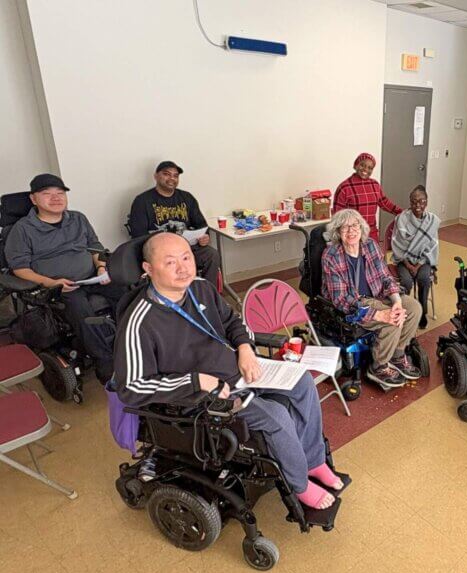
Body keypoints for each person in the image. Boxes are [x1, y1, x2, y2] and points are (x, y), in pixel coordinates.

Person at [113, 232, 342, 510]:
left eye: (187, 257)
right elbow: (132, 388)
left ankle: (314, 461)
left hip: (238, 371)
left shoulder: (200, 288)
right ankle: (300, 485)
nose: (184, 267)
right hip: (199, 399)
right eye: (171, 262)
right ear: (148, 269)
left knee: (302, 382)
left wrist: (245, 347)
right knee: (276, 415)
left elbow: (233, 321)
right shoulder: (139, 323)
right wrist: (197, 381)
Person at [4, 173, 125, 383]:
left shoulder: (78, 218)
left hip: (91, 277)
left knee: (127, 293)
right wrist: (52, 283)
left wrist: (101, 267)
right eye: (47, 194)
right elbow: (20, 269)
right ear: (34, 199)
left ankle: (131, 345)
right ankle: (105, 361)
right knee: (82, 310)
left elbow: (94, 247)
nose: (56, 198)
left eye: (60, 193)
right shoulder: (22, 230)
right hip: (58, 287)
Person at [321, 209, 421, 389]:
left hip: (378, 294)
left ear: (361, 227)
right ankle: (378, 365)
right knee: (390, 320)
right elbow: (341, 300)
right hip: (356, 302)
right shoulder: (331, 256)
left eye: (354, 225)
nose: (351, 231)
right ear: (337, 232)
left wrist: (397, 301)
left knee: (414, 308)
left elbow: (385, 277)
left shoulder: (370, 245)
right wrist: (378, 315)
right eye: (344, 227)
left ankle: (398, 354)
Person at [128, 161, 221, 285]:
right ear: (156, 176)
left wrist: (205, 236)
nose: (172, 178)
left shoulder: (187, 198)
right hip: (159, 252)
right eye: (166, 174)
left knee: (211, 255)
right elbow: (138, 235)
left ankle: (209, 295)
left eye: (175, 176)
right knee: (167, 264)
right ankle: (173, 297)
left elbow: (202, 225)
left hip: (186, 248)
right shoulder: (142, 201)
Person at [391, 185, 440, 329]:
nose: (417, 205)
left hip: (423, 260)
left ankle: (422, 313)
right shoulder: (401, 219)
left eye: (421, 201)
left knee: (424, 279)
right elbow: (397, 244)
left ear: (426, 202)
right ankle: (404, 312)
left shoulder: (432, 221)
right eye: (414, 201)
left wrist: (418, 265)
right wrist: (408, 264)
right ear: (410, 202)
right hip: (403, 260)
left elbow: (432, 246)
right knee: (406, 282)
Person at [332, 153, 402, 242]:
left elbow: (385, 203)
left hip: (371, 232)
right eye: (362, 165)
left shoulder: (375, 185)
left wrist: (402, 212)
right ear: (355, 165)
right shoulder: (344, 187)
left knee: (374, 255)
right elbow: (338, 215)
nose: (365, 169)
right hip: (352, 234)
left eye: (370, 168)